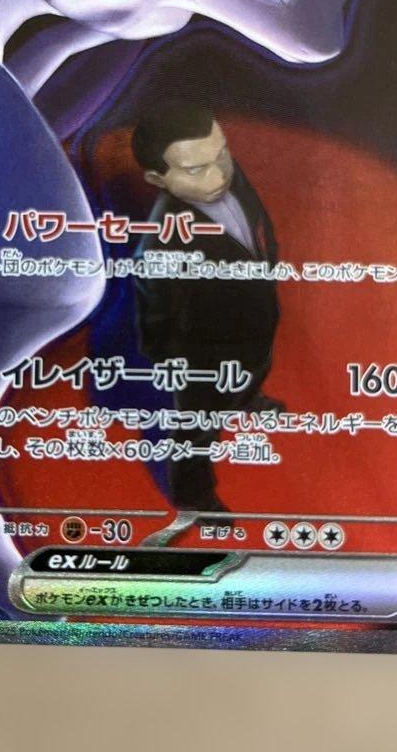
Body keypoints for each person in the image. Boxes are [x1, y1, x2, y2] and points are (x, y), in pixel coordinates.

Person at [131, 102, 283, 513]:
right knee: (198, 425)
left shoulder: (229, 175)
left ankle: (248, 397)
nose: (219, 176)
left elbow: (256, 224)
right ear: (156, 178)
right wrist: (176, 362)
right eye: (196, 169)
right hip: (205, 353)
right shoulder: (160, 243)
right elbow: (156, 313)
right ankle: (193, 494)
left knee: (255, 368)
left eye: (222, 154)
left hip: (254, 321)